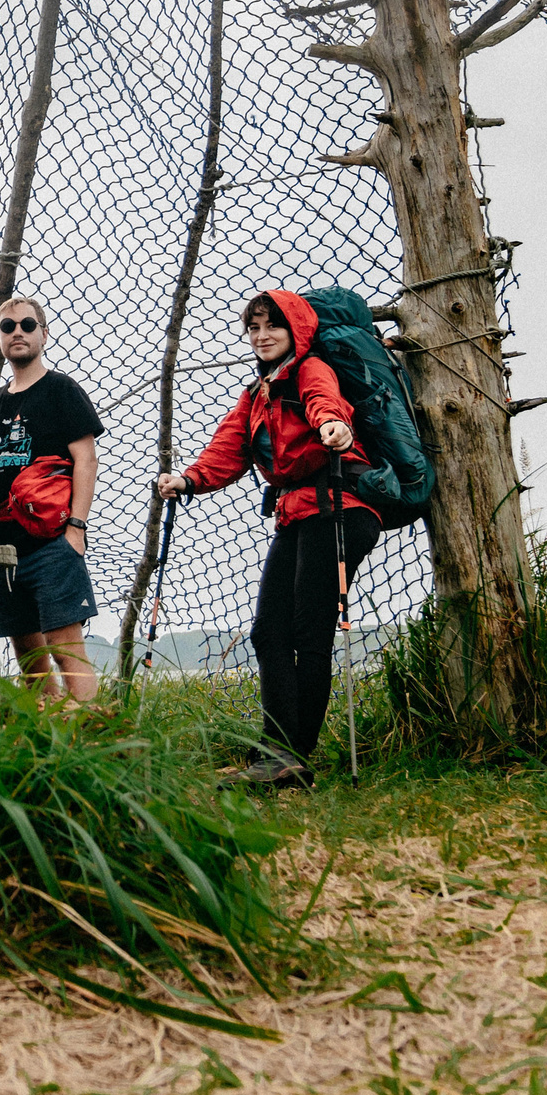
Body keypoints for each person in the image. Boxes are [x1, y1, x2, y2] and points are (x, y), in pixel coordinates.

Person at [158, 289, 379, 787]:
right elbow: (228, 449)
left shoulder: (310, 370)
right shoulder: (257, 393)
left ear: (294, 329)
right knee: (268, 632)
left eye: (271, 326)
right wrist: (189, 479)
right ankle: (280, 753)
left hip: (338, 510)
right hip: (297, 514)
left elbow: (328, 403)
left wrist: (332, 428)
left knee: (309, 630)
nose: (261, 336)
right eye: (254, 328)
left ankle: (288, 757)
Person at [0, 296, 103, 700]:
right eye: (8, 326)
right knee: (29, 658)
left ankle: (96, 738)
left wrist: (76, 528)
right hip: (2, 546)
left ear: (44, 334)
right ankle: (47, 742)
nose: (18, 332)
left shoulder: (61, 390)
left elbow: (86, 459)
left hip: (50, 541)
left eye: (28, 325)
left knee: (66, 650)